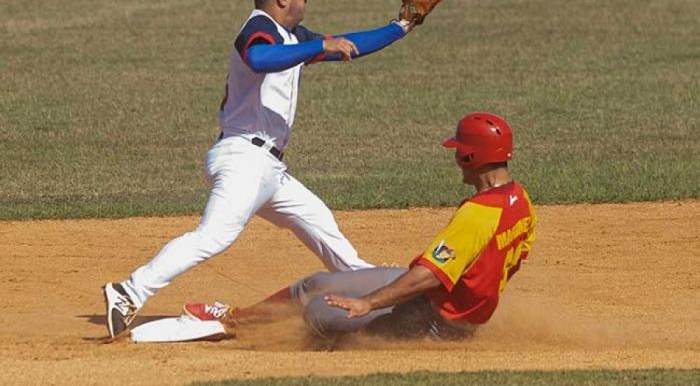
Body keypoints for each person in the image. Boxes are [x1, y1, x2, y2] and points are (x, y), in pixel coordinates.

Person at [103, 0, 417, 339]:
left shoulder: (290, 35)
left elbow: (349, 45)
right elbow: (258, 59)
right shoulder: (259, 28)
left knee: (327, 234)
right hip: (243, 160)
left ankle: (386, 300)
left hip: (268, 170)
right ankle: (129, 291)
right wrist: (317, 45)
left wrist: (401, 27)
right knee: (214, 236)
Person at [184, 113, 538, 341]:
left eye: (458, 150)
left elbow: (427, 277)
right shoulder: (520, 202)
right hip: (436, 300)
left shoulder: (477, 214)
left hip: (432, 320)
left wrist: (367, 303)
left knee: (319, 313)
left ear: (469, 157)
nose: (454, 157)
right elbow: (510, 259)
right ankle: (235, 320)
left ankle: (292, 350)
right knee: (314, 284)